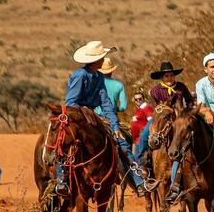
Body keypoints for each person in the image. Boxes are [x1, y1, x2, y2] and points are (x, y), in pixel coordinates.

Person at [59, 41, 151, 194]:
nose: (104, 59)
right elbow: (71, 102)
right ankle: (61, 180)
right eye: (102, 57)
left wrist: (115, 127)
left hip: (95, 116)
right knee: (64, 143)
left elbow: (106, 103)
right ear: (96, 60)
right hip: (76, 116)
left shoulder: (98, 77)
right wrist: (86, 112)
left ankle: (138, 182)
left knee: (121, 141)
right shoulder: (80, 75)